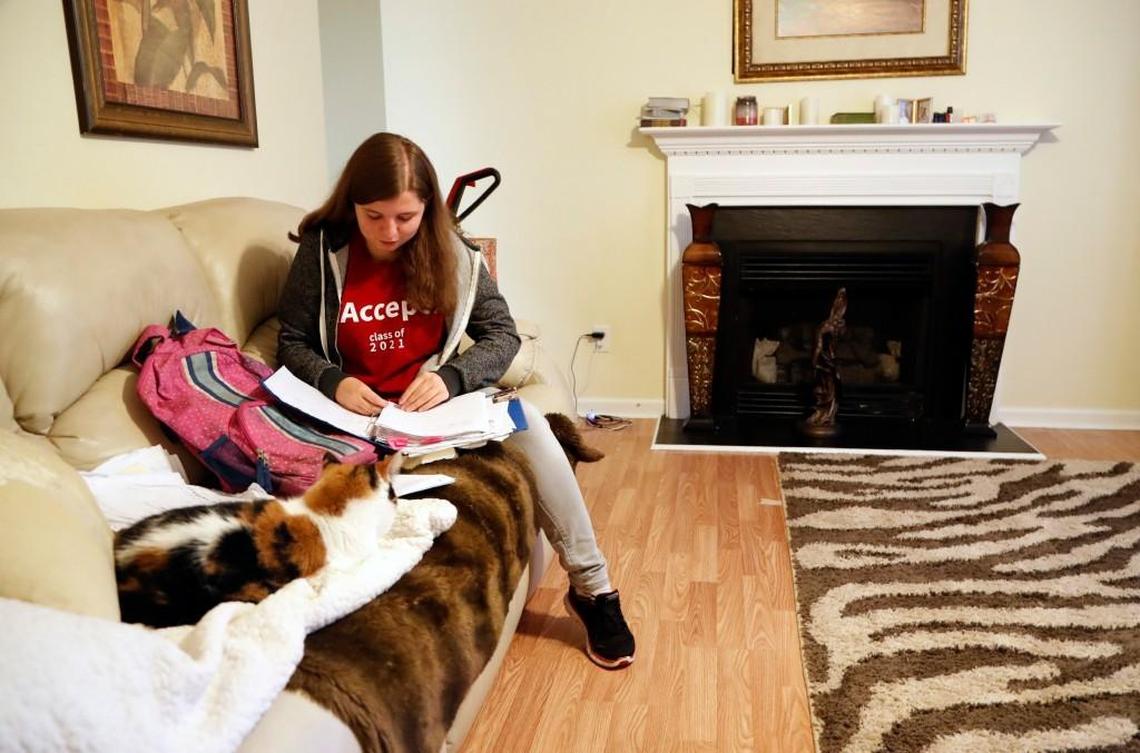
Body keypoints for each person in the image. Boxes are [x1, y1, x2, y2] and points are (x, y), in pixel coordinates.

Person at [277, 132, 635, 669]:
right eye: (374, 217)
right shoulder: (322, 249)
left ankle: (594, 589)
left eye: (405, 217)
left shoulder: (454, 253)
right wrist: (332, 380)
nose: (390, 232)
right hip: (352, 416)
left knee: (529, 420)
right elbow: (292, 341)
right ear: (352, 202)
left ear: (426, 208)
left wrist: (452, 377)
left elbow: (501, 335)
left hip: (435, 408)